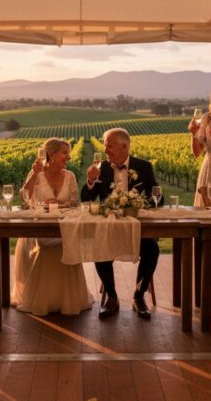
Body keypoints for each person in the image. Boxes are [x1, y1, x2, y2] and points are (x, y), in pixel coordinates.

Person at [81, 128, 162, 320]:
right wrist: (91, 180)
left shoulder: (143, 167)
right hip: (109, 228)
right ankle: (112, 296)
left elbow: (156, 196)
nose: (105, 149)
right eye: (105, 145)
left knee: (152, 249)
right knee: (99, 247)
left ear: (124, 146)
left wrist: (145, 201)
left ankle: (139, 296)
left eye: (109, 145)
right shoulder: (101, 167)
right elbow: (86, 199)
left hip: (136, 227)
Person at [12, 138, 93, 315]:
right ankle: (43, 300)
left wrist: (60, 205)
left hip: (63, 227)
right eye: (65, 153)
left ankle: (63, 299)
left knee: (66, 243)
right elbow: (24, 198)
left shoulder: (70, 176)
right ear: (52, 154)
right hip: (39, 226)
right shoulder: (37, 174)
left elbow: (74, 204)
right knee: (45, 246)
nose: (69, 157)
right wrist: (33, 175)